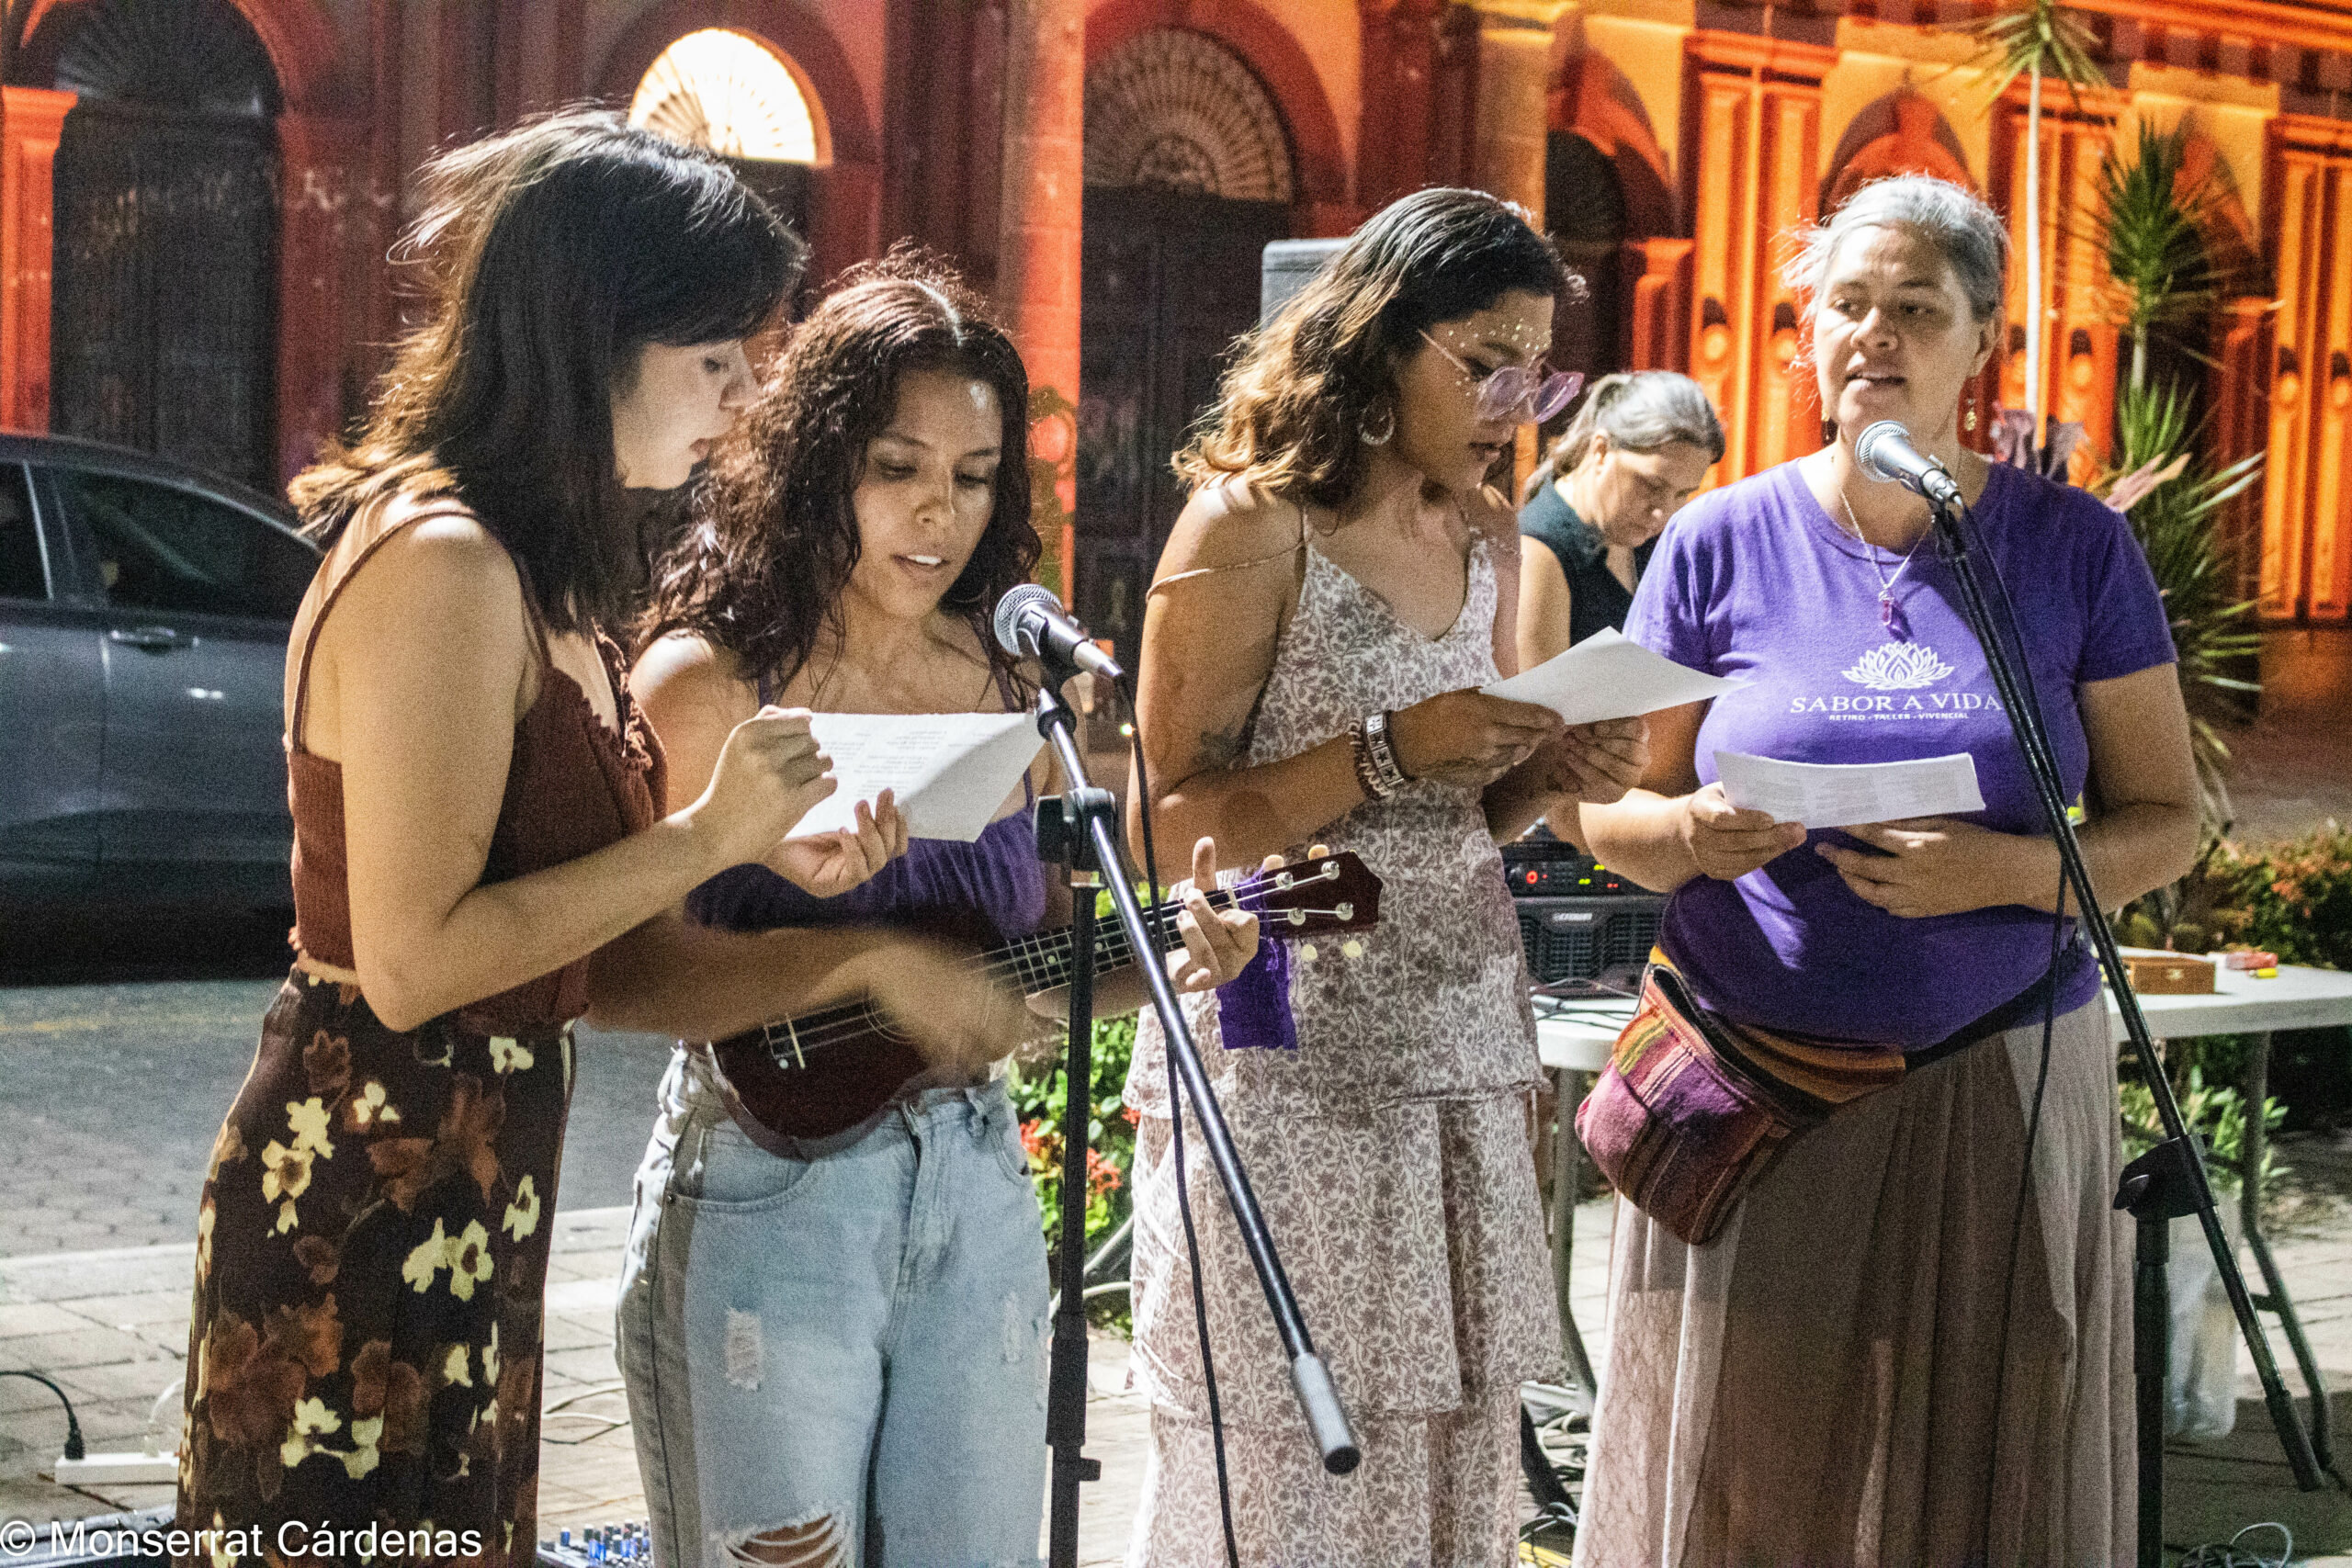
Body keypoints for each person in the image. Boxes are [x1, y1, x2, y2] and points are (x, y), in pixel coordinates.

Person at [175, 115, 1019, 1567]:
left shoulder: (540, 560)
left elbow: (596, 947)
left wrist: (816, 907)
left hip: (474, 1185)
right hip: (358, 1193)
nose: (747, 393)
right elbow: (416, 959)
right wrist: (703, 834)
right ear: (592, 339)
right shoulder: (440, 558)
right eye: (712, 358)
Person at [1575, 174, 2198, 1566]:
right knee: (1753, 1481)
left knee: (1991, 1473)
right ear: (1805, 333)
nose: (1875, 334)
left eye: (1917, 307)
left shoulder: (2070, 545)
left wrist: (2004, 869)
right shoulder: (1715, 540)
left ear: (1983, 341)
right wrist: (1685, 837)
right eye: (1845, 304)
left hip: (1998, 1082)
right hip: (1758, 1087)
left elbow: (2170, 818)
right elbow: (1601, 809)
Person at [617, 255, 1261, 1568]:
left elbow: (1005, 976)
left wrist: (1167, 957)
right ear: (818, 466)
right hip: (766, 1187)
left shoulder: (1009, 676)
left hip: (971, 1184)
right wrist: (861, 953)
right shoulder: (709, 681)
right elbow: (625, 975)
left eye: (972, 479)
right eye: (899, 467)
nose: (938, 514)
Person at [1120, 187, 1650, 1565]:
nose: (1512, 404)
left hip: (1460, 1040)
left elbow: (1455, 820)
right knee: (1292, 1454)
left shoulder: (1491, 539)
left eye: (1538, 371)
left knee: (1449, 1456)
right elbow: (1165, 829)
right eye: (1484, 363)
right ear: (1374, 337)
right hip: (1287, 1042)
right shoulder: (1250, 527)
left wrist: (1549, 770)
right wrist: (1385, 745)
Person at [1513, 370, 1722, 667]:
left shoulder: (1641, 537)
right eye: (1651, 485)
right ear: (1600, 450)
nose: (1662, 512)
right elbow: (1538, 710)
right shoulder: (1539, 553)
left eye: (1682, 494)